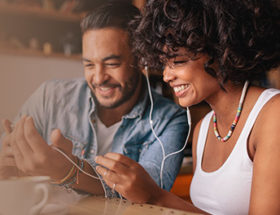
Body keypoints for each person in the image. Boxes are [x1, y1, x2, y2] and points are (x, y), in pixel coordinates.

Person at [95, 0, 280, 214]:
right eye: (164, 62)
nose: (166, 75)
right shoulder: (203, 129)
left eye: (178, 61)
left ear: (222, 51)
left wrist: (156, 196)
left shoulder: (272, 115)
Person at [0, 1, 189, 198]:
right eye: (89, 65)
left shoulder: (170, 120)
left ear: (141, 59)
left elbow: (149, 192)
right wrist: (6, 168)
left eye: (112, 63)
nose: (99, 78)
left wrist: (69, 171)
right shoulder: (50, 97)